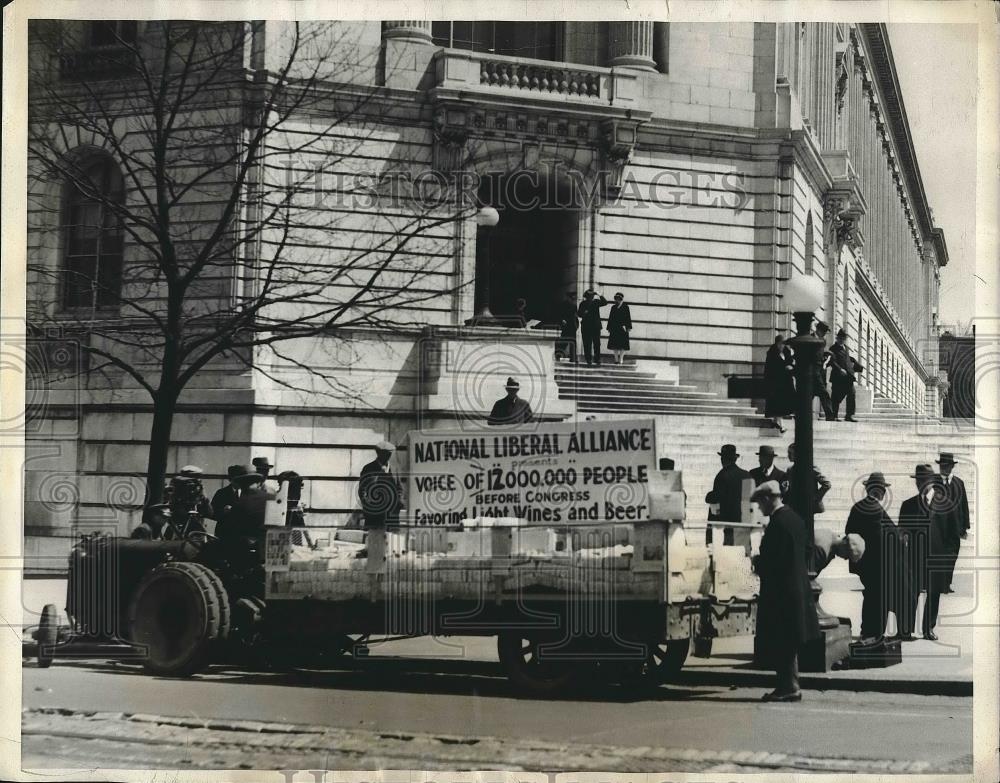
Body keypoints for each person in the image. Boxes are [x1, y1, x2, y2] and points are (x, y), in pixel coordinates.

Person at [751, 480, 820, 702]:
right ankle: (791, 684)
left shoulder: (777, 524)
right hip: (797, 587)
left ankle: (788, 686)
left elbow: (773, 561)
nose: (760, 508)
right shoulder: (795, 519)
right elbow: (808, 549)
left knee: (783, 640)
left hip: (781, 591)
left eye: (760, 503)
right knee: (789, 640)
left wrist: (757, 562)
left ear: (768, 499)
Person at [898, 463, 957, 641]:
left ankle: (928, 628)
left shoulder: (946, 504)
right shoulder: (908, 505)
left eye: (923, 480)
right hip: (913, 557)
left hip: (937, 558)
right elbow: (901, 534)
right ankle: (906, 629)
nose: (920, 484)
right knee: (910, 593)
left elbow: (952, 538)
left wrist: (948, 564)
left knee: (934, 594)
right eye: (918, 480)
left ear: (932, 481)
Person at [845, 472, 896, 642]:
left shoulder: (858, 507)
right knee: (879, 598)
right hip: (879, 564)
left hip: (863, 563)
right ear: (879, 491)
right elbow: (888, 536)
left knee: (870, 596)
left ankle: (867, 630)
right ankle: (874, 633)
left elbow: (849, 532)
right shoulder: (876, 509)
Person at [936, 452, 969, 593]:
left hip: (954, 527)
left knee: (952, 555)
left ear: (952, 466)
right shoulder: (933, 482)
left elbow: (964, 505)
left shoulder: (959, 483)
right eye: (942, 466)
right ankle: (935, 583)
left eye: (947, 466)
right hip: (937, 527)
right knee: (937, 555)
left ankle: (947, 583)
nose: (944, 468)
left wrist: (964, 527)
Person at [705, 444, 750, 545]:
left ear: (723, 459)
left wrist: (709, 496)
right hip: (743, 522)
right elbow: (750, 499)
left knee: (728, 554)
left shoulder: (722, 475)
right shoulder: (746, 474)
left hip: (727, 524)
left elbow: (716, 498)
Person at [358, 441, 403, 529]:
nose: (390, 456)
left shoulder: (394, 469)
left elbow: (399, 488)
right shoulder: (368, 469)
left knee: (392, 540)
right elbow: (362, 490)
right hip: (374, 515)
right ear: (379, 453)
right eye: (387, 454)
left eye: (391, 454)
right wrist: (369, 506)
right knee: (375, 540)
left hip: (392, 514)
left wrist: (398, 503)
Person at [215, 467, 267, 538]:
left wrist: (230, 511)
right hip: (261, 540)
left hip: (242, 542)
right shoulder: (267, 497)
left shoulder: (243, 502)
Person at [782, 443, 831, 517]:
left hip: (808, 506)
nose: (788, 456)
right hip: (795, 505)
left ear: (797, 454)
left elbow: (827, 484)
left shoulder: (810, 468)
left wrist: (815, 498)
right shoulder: (790, 470)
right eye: (788, 453)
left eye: (790, 453)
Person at [763, 334, 795, 432]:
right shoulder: (771, 354)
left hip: (785, 382)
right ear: (777, 343)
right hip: (775, 382)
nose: (782, 346)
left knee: (782, 403)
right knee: (776, 403)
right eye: (780, 344)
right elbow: (770, 369)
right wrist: (784, 368)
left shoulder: (787, 352)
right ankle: (778, 423)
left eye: (783, 344)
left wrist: (790, 366)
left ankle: (777, 422)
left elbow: (790, 362)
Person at [829, 328, 859, 422]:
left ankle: (849, 415)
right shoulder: (833, 348)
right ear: (837, 338)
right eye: (840, 338)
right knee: (836, 396)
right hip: (838, 377)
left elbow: (847, 359)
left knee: (852, 394)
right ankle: (834, 415)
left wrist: (853, 363)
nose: (842, 340)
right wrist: (839, 369)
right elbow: (832, 361)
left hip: (848, 377)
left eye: (843, 338)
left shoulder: (846, 348)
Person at [577, 289, 610, 366]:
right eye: (589, 296)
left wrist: (600, 295)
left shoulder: (596, 302)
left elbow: (605, 302)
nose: (590, 298)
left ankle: (597, 359)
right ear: (586, 296)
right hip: (586, 326)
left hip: (595, 326)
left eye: (591, 296)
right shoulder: (583, 303)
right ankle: (588, 360)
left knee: (597, 344)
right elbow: (579, 314)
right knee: (587, 344)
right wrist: (584, 313)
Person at [812, 321, 836, 421]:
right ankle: (830, 415)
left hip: (820, 372)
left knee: (812, 394)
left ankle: (830, 415)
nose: (825, 334)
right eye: (824, 331)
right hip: (812, 371)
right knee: (823, 393)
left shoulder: (823, 341)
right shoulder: (810, 338)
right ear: (818, 330)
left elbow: (821, 354)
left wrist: (826, 358)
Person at [605, 292, 632, 365]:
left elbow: (628, 318)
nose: (617, 301)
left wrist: (628, 327)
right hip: (614, 328)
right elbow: (610, 318)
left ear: (621, 299)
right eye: (616, 299)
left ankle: (621, 359)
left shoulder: (626, 307)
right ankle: (616, 359)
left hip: (623, 328)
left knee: (623, 345)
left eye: (618, 299)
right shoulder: (613, 307)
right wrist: (609, 327)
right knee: (615, 345)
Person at [556, 291, 579, 363]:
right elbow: (559, 315)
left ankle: (573, 358)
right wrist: (562, 320)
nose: (574, 298)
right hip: (566, 326)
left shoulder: (574, 306)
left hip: (572, 326)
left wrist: (576, 325)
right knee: (563, 342)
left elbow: (575, 317)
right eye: (573, 297)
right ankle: (558, 355)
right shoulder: (563, 305)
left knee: (572, 343)